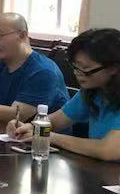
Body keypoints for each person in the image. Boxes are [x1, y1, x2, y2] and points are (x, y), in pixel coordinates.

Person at [7, 28, 120, 161]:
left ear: (113, 68)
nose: (77, 73)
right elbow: (56, 121)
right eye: (75, 67)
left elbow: (108, 150)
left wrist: (48, 136)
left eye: (85, 69)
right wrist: (29, 127)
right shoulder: (94, 91)